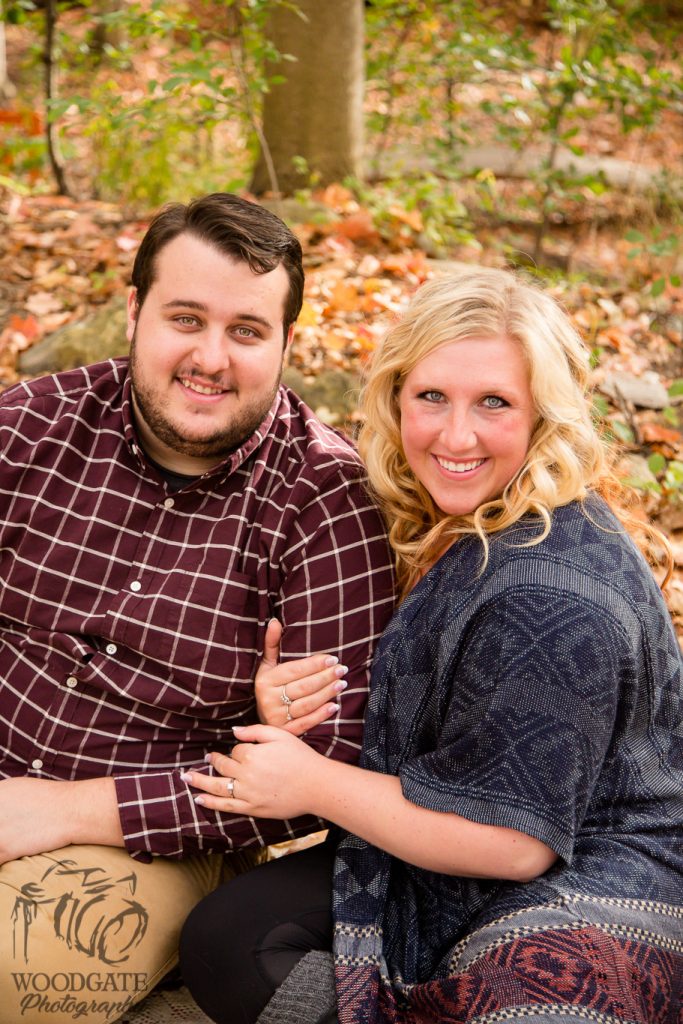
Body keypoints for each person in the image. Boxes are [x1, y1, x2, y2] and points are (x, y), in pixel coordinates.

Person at [180, 267, 683, 1024]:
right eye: (431, 397)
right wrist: (298, 706)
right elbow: (435, 712)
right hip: (456, 826)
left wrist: (312, 785)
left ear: (544, 415)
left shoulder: (546, 595)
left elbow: (515, 845)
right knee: (228, 940)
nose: (455, 436)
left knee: (527, 1003)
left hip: (591, 866)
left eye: (494, 403)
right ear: (395, 398)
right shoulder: (459, 516)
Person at [0, 192, 395, 1024]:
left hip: (151, 840)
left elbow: (315, 776)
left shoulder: (324, 504)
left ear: (286, 344)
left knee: (16, 975)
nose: (210, 359)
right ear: (134, 311)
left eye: (246, 331)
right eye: (185, 319)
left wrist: (63, 811)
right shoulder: (30, 428)